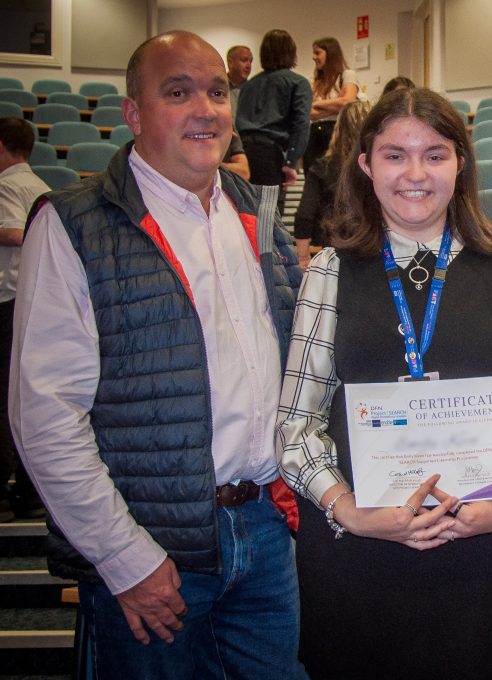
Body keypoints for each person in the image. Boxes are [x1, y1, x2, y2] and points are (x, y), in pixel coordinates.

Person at [11, 31, 305, 678]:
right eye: (178, 92)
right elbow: (45, 416)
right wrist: (124, 558)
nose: (206, 108)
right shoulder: (72, 225)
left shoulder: (257, 218)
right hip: (151, 546)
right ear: (135, 114)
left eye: (217, 91)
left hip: (263, 534)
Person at [278, 87, 492, 680]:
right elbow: (295, 427)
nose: (415, 173)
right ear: (365, 166)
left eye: (434, 154)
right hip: (358, 553)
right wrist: (347, 510)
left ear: (460, 163)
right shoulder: (329, 269)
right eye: (395, 155)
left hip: (474, 554)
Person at [0, 117, 49, 523]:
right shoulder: (40, 185)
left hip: (9, 299)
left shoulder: (7, 186)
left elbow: (15, 232)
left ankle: (15, 488)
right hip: (30, 298)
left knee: (9, 396)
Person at [236, 29, 311, 210]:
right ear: (291, 52)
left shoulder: (248, 85)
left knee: (245, 213)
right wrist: (291, 162)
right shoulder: (298, 83)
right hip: (271, 155)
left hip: (243, 153)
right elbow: (301, 123)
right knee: (270, 215)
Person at [293, 99, 370, 269]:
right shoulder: (378, 167)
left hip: (333, 255)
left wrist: (303, 257)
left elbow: (304, 215)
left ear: (338, 129)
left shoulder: (323, 167)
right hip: (374, 252)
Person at [303, 37, 359, 172]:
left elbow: (348, 102)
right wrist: (336, 106)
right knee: (314, 179)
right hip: (314, 136)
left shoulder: (347, 75)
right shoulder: (314, 82)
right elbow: (310, 113)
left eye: (317, 53)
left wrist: (318, 103)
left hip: (337, 134)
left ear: (330, 53)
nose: (313, 57)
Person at [225, 44, 253, 122]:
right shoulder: (218, 88)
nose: (248, 65)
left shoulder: (255, 90)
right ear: (230, 62)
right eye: (244, 60)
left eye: (250, 61)